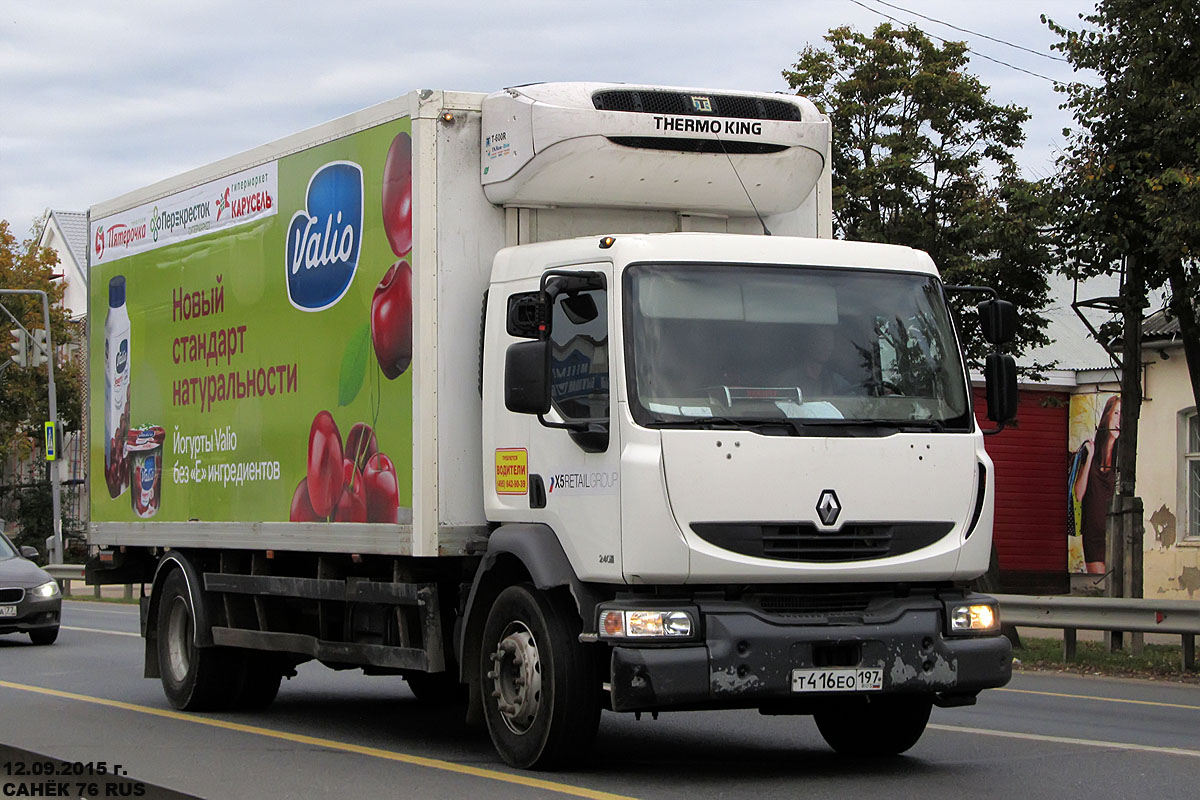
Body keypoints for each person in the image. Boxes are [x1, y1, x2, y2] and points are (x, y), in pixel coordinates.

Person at [1073, 395, 1120, 575]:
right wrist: (1090, 456)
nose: (1119, 420)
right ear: (1107, 415)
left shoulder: (1122, 457)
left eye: (1122, 415)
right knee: (1098, 583)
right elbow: (1078, 494)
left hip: (1114, 532)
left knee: (1113, 584)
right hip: (1092, 532)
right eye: (1116, 413)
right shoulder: (1089, 453)